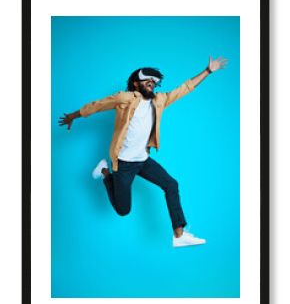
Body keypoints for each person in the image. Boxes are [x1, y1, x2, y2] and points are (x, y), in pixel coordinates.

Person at [59, 56, 228, 247]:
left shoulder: (159, 100)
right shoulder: (125, 98)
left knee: (171, 185)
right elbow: (97, 105)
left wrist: (208, 71)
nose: (151, 85)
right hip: (124, 163)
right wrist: (74, 116)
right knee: (123, 211)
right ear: (135, 84)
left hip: (143, 160)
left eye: (153, 82)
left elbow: (184, 89)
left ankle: (179, 235)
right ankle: (105, 173)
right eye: (147, 81)